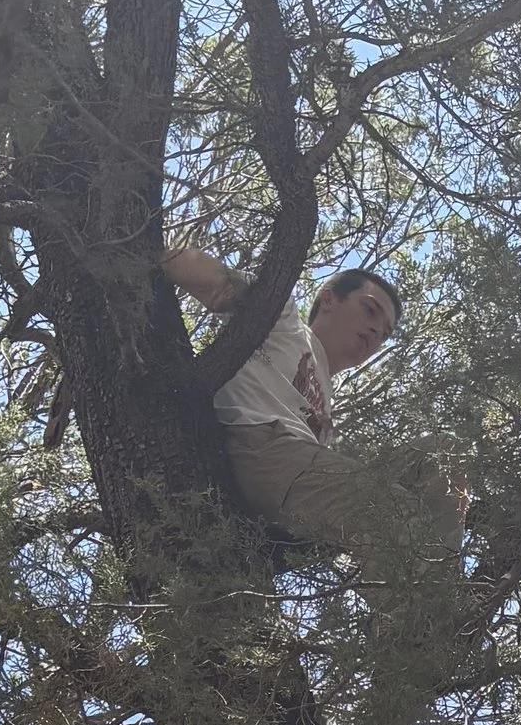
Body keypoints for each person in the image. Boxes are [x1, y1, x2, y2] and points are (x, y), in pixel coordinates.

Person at [162, 244, 461, 587]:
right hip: (260, 445)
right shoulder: (284, 322)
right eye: (370, 310)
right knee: (389, 510)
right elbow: (210, 279)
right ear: (329, 299)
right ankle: (413, 628)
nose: (377, 331)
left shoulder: (326, 407)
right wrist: (129, 251)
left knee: (440, 453)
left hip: (291, 479)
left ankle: (443, 596)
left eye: (386, 332)